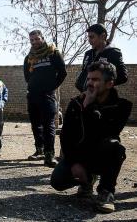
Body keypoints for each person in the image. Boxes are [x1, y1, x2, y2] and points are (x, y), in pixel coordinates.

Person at [51, 61, 132, 213]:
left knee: (116, 146)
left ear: (109, 84)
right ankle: (87, 181)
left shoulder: (121, 107)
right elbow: (66, 137)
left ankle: (106, 192)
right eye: (88, 79)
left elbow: (106, 132)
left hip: (101, 155)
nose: (89, 83)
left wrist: (89, 108)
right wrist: (74, 162)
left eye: (95, 80)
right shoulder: (76, 103)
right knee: (57, 181)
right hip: (79, 155)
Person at [23, 30, 67, 167]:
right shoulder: (29, 57)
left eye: (37, 39)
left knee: (49, 125)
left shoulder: (53, 53)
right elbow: (27, 76)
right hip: (33, 95)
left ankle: (49, 155)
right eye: (32, 40)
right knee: (36, 124)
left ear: (42, 38)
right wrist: (33, 85)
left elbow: (62, 72)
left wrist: (51, 86)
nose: (35, 42)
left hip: (47, 95)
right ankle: (39, 150)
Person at [75, 23, 128, 92]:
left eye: (92, 37)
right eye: (88, 37)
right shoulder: (88, 54)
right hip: (85, 95)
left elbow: (123, 76)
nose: (89, 40)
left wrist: (102, 86)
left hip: (102, 99)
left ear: (102, 36)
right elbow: (84, 72)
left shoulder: (113, 53)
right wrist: (79, 84)